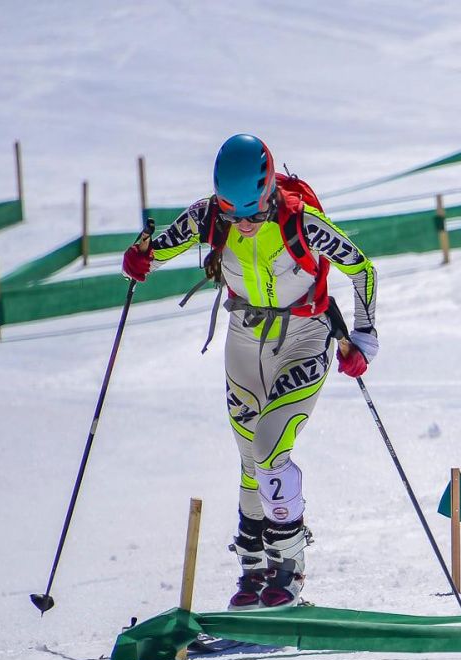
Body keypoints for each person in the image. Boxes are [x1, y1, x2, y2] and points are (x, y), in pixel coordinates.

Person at [122, 133, 379, 608]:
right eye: (232, 213)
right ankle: (253, 569)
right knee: (248, 458)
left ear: (269, 196)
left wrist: (363, 337)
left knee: (269, 449)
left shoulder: (302, 223)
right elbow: (159, 248)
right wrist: (140, 260)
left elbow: (361, 269)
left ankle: (289, 563)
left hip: (305, 336)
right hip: (244, 337)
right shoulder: (208, 216)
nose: (242, 224)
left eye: (254, 215)